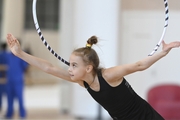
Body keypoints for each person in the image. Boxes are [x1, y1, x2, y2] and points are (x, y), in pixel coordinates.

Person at [6, 33, 180, 120]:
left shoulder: (109, 75)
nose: (70, 69)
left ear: (89, 68)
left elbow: (139, 65)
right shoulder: (84, 82)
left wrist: (163, 53)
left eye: (74, 65)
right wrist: (19, 53)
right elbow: (49, 67)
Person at [3, 41, 29, 119]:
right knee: (9, 99)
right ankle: (9, 114)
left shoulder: (21, 56)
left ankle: (22, 115)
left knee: (20, 98)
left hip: (18, 81)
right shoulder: (8, 55)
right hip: (10, 80)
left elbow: (25, 67)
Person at [0, 43, 8, 114]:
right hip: (8, 77)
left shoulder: (0, 55)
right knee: (9, 96)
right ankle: (9, 112)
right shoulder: (8, 55)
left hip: (1, 77)